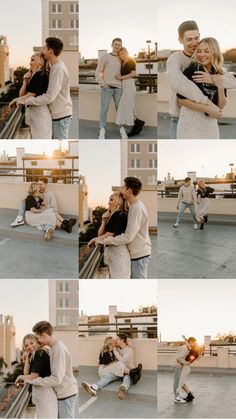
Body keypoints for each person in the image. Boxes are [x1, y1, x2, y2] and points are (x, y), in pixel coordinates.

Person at [167, 20, 236, 139]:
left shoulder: (212, 66)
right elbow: (180, 86)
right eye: (189, 39)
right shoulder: (176, 60)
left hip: (208, 120)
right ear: (180, 40)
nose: (194, 43)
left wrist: (214, 80)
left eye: (196, 37)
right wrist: (209, 105)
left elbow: (231, 81)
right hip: (181, 118)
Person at [94, 177, 151, 279]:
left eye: (123, 188)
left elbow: (128, 237)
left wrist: (106, 241)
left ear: (129, 191)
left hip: (139, 255)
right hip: (136, 254)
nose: (121, 190)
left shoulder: (137, 208)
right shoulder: (133, 206)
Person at [16, 37, 73, 139]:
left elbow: (49, 97)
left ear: (50, 51)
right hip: (58, 114)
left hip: (61, 115)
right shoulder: (55, 67)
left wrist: (27, 101)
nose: (42, 50)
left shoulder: (58, 69)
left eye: (44, 48)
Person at [25, 321, 78, 419]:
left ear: (44, 335)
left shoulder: (58, 350)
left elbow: (56, 379)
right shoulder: (53, 348)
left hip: (66, 395)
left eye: (37, 338)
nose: (37, 341)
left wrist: (33, 381)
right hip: (63, 394)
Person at [177, 37, 227, 138]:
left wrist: (220, 87)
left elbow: (220, 106)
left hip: (210, 124)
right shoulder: (192, 70)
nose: (201, 55)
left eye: (206, 51)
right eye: (199, 51)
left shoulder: (219, 73)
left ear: (215, 52)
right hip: (191, 122)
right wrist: (208, 109)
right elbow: (181, 100)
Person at [82, 334, 142, 400]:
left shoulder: (129, 350)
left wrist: (127, 343)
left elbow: (122, 359)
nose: (116, 341)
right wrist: (115, 351)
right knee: (110, 375)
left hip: (123, 369)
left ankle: (123, 387)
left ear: (122, 340)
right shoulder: (115, 349)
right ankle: (95, 387)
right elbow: (111, 360)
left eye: (117, 339)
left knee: (126, 375)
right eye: (114, 340)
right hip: (116, 369)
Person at [87, 192, 130, 278]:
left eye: (113, 197)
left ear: (120, 201)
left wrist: (94, 239)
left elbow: (109, 235)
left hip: (119, 254)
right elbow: (100, 234)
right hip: (114, 254)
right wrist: (103, 221)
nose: (109, 201)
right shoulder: (113, 215)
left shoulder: (119, 214)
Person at [11, 177, 76, 234]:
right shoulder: (31, 197)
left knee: (52, 214)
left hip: (43, 213)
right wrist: (43, 211)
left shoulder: (48, 194)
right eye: (38, 186)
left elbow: (52, 206)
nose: (40, 187)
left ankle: (66, 224)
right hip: (36, 214)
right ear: (35, 188)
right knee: (50, 215)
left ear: (45, 184)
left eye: (41, 185)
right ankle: (61, 227)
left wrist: (50, 210)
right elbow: (32, 208)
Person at [9, 52, 52, 139]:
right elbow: (22, 94)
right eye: (33, 55)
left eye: (36, 55)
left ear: (41, 62)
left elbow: (31, 95)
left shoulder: (41, 74)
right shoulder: (33, 75)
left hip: (40, 115)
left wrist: (15, 100)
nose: (33, 56)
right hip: (34, 114)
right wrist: (25, 81)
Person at [15, 334, 58, 418]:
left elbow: (33, 376)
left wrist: (19, 377)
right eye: (26, 345)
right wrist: (27, 358)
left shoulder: (40, 353)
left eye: (32, 343)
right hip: (41, 394)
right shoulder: (34, 355)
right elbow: (26, 374)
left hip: (46, 394)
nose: (30, 347)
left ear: (37, 342)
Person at [96, 38, 126, 139]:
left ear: (121, 46)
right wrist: (102, 83)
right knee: (104, 109)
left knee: (120, 110)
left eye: (119, 45)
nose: (117, 46)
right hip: (107, 88)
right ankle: (102, 130)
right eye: (115, 44)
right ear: (112, 45)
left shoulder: (122, 58)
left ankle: (122, 129)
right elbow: (100, 71)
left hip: (119, 88)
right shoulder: (105, 57)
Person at [115, 47, 144, 138]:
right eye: (119, 54)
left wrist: (120, 78)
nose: (121, 55)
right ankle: (138, 123)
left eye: (122, 53)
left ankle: (137, 124)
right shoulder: (123, 63)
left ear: (126, 52)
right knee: (128, 106)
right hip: (125, 86)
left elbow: (134, 74)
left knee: (128, 106)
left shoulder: (130, 61)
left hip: (129, 86)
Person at [173, 336, 197, 403]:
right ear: (191, 342)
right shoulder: (184, 348)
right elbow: (179, 358)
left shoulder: (187, 347)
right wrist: (187, 363)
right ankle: (176, 397)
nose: (195, 344)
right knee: (177, 382)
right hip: (177, 366)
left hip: (179, 366)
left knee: (180, 381)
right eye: (194, 343)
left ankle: (188, 395)